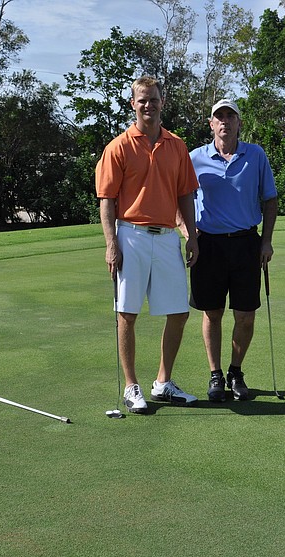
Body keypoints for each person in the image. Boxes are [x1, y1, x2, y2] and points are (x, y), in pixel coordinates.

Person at [96, 76, 200, 414]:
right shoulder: (119, 146)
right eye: (142, 100)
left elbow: (185, 194)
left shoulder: (177, 145)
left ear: (162, 102)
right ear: (133, 104)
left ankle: (162, 382)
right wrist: (112, 243)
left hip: (168, 235)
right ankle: (131, 386)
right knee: (127, 313)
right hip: (131, 235)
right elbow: (107, 199)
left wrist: (192, 236)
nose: (148, 105)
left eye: (153, 99)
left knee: (180, 313)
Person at [186, 99, 278, 402]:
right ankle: (215, 374)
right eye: (219, 117)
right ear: (211, 124)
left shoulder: (256, 155)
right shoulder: (195, 158)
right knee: (212, 313)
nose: (224, 121)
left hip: (246, 243)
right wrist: (189, 235)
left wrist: (266, 240)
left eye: (230, 116)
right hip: (208, 244)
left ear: (239, 123)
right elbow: (180, 199)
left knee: (245, 315)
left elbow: (270, 200)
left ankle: (235, 370)